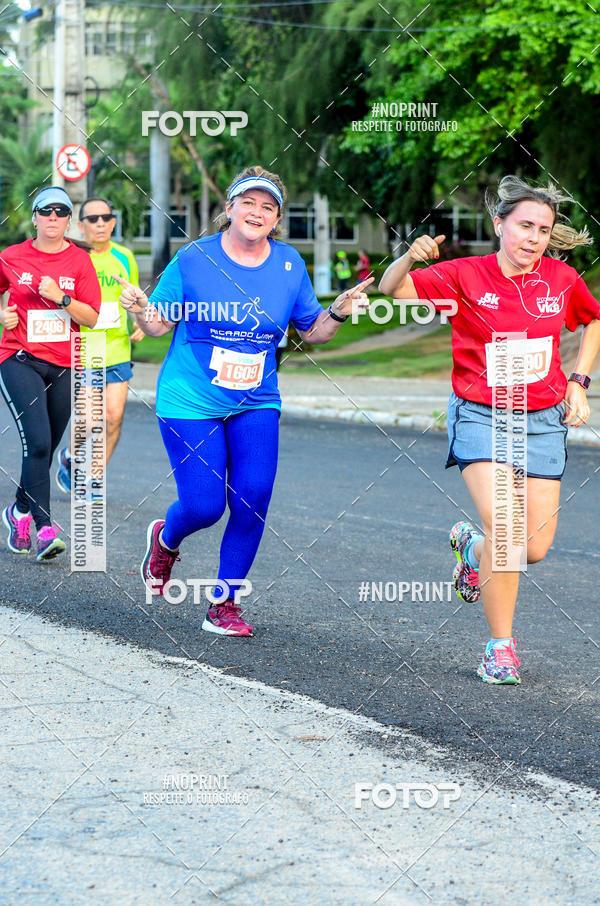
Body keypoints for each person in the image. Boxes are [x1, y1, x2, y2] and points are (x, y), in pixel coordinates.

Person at [116, 165, 372, 636]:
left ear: (276, 219)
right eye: (248, 202)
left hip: (256, 397)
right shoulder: (195, 259)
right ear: (229, 208)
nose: (257, 212)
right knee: (205, 506)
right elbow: (156, 326)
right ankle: (166, 539)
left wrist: (337, 310)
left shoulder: (290, 264)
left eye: (268, 207)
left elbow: (312, 332)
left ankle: (224, 602)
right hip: (191, 397)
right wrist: (139, 308)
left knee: (252, 496)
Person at [379, 175, 600, 685]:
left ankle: (471, 549)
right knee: (507, 531)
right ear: (499, 224)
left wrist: (579, 382)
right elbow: (394, 290)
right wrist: (409, 256)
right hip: (481, 413)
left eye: (543, 230)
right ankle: (499, 648)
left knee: (534, 547)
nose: (535, 238)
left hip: (544, 420)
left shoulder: (562, 280)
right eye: (525, 226)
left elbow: (592, 320)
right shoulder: (464, 276)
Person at [0, 185, 101, 560]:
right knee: (38, 443)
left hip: (63, 364)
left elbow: (91, 318)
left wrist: (61, 296)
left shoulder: (80, 262)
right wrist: (1, 315)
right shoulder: (11, 257)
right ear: (35, 218)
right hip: (19, 358)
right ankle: (44, 529)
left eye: (60, 212)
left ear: (69, 220)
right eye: (46, 211)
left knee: (46, 445)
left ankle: (18, 511)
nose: (53, 218)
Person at [55, 197, 144, 492]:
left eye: (105, 217)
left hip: (118, 347)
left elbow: (133, 296)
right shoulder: (74, 259)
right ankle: (69, 455)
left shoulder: (125, 256)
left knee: (114, 417)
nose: (100, 223)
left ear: (113, 222)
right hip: (85, 347)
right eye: (92, 219)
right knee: (91, 419)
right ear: (81, 226)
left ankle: (94, 476)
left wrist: (140, 321)